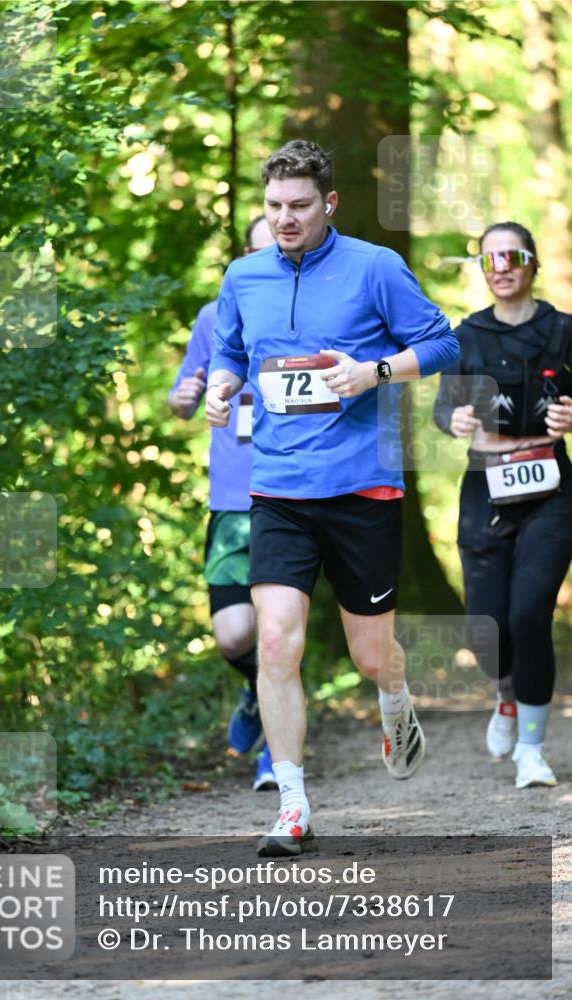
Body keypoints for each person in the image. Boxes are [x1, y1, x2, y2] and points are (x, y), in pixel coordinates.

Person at [205, 140, 459, 856]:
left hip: (360, 487)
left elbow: (441, 344)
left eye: (299, 206)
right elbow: (228, 353)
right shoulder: (243, 275)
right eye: (274, 206)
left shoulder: (374, 268)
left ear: (329, 205)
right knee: (276, 641)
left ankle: (394, 700)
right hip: (277, 489)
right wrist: (223, 386)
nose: (285, 219)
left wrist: (374, 371)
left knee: (372, 656)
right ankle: (291, 804)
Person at [434, 222, 572, 789]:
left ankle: (532, 753)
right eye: (489, 259)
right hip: (485, 486)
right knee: (487, 629)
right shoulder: (466, 336)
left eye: (512, 255)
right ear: (483, 270)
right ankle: (506, 697)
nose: (501, 266)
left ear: (531, 262)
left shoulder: (563, 329)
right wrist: (456, 419)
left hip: (549, 490)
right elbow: (444, 410)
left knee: (528, 614)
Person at [169, 216, 278, 791]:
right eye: (256, 252)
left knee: (278, 630)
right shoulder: (214, 318)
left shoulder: (306, 316)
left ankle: (277, 762)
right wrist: (183, 394)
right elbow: (183, 395)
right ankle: (257, 695)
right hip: (233, 501)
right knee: (235, 635)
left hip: (292, 495)